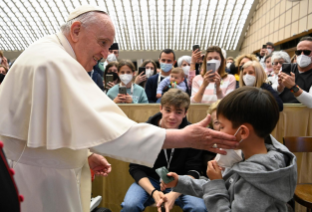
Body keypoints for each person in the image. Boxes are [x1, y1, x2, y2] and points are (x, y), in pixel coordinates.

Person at [0, 6, 238, 212]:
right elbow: (106, 125)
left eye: (109, 45)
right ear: (75, 31)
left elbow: (57, 125)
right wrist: (183, 137)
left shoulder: (50, 54)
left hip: (44, 170)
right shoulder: (53, 62)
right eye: (102, 43)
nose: (105, 54)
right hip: (40, 179)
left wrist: (85, 154)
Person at [159, 87, 297, 212]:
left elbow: (220, 188)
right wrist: (179, 182)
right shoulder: (246, 156)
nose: (218, 131)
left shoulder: (256, 178)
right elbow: (225, 188)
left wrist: (215, 182)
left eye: (222, 127)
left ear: (242, 132)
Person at [121, 89, 207, 212]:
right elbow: (136, 168)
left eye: (178, 112)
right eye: (168, 110)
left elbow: (194, 170)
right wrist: (154, 192)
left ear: (185, 113)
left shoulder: (192, 135)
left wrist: (175, 193)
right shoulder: (145, 132)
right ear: (161, 108)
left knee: (199, 208)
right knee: (130, 205)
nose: (172, 116)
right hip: (151, 180)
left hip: (181, 181)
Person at [277, 36, 312, 108]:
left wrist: (293, 87)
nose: (302, 55)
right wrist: (280, 87)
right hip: (283, 113)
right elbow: (275, 91)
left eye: (306, 52)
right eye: (298, 52)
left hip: (302, 116)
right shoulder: (286, 68)